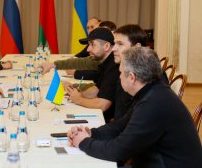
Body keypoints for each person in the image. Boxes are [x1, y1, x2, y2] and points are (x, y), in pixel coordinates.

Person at [67, 47, 202, 167]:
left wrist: (83, 142)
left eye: (120, 72)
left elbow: (118, 151)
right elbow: (120, 126)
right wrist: (91, 133)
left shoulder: (153, 103)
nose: (119, 77)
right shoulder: (151, 90)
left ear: (131, 77)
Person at [65, 28, 119, 122]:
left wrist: (78, 99)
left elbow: (103, 105)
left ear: (106, 46)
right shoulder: (104, 62)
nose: (88, 49)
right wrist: (75, 91)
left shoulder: (114, 66)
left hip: (110, 121)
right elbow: (97, 90)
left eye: (92, 44)